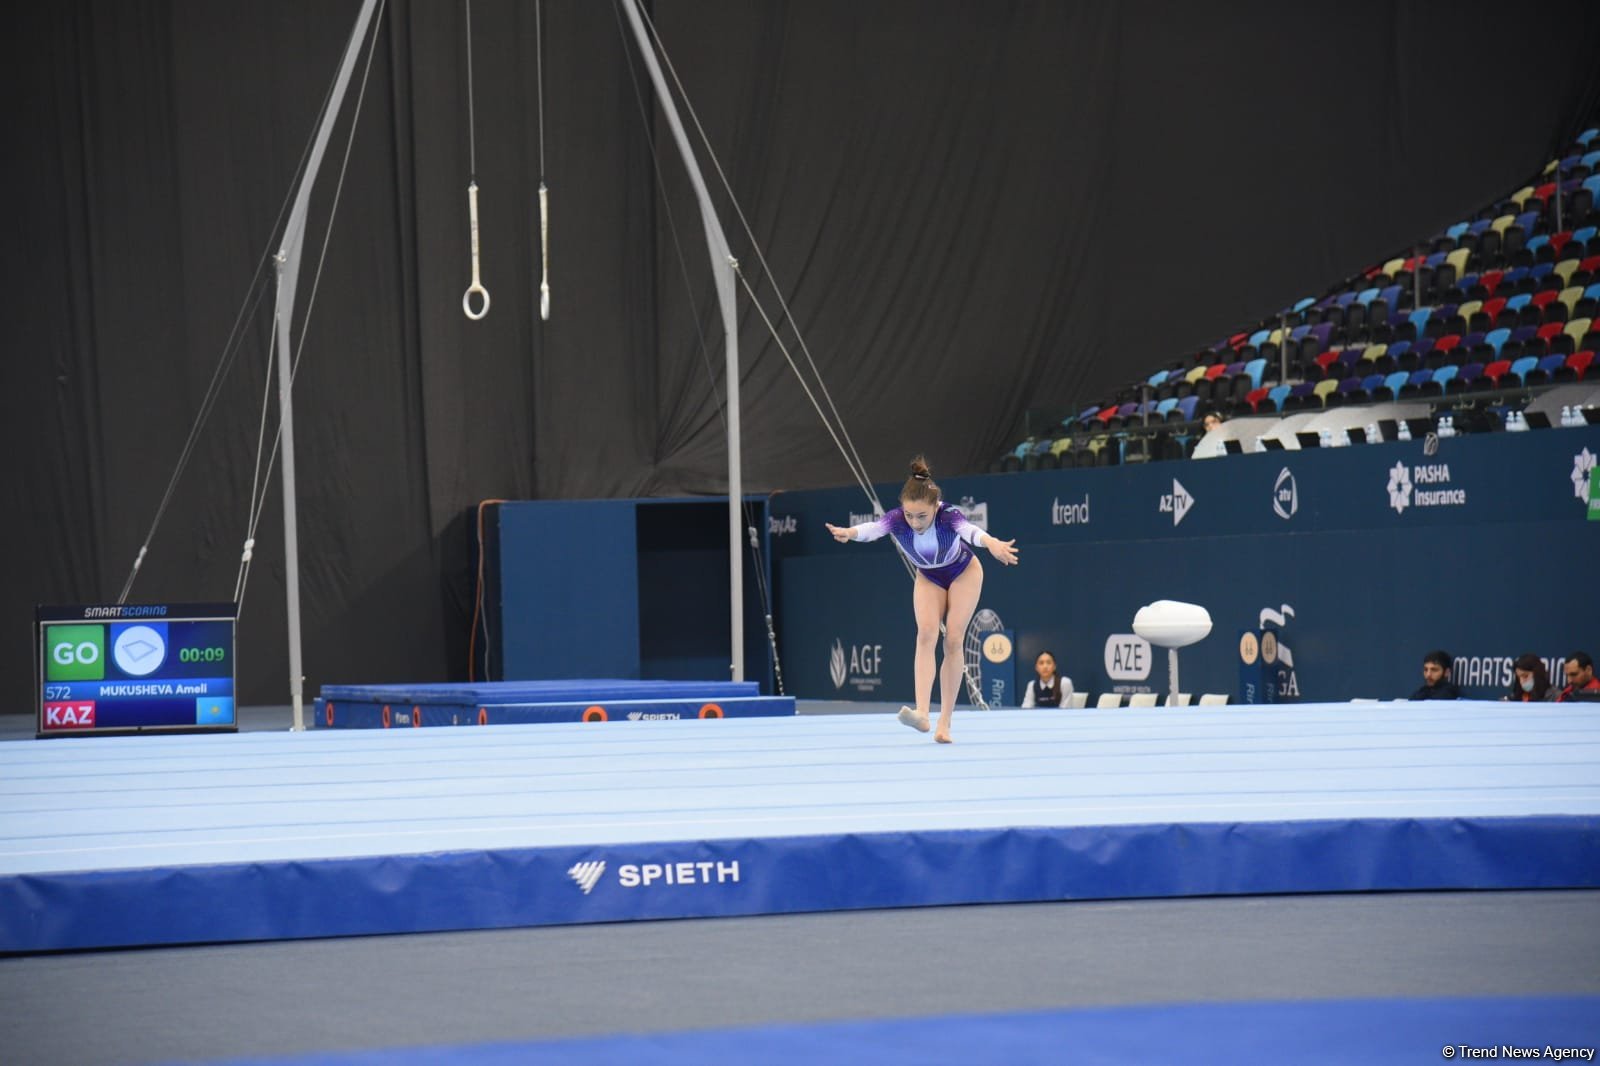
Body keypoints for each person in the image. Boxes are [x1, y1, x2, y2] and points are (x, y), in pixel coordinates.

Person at [826, 456, 1019, 743]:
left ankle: (946, 721)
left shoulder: (948, 515)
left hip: (963, 571)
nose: (914, 522)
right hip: (929, 576)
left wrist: (991, 543)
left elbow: (971, 532)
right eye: (909, 516)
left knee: (953, 639)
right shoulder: (896, 520)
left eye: (922, 516)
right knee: (926, 634)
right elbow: (873, 529)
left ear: (935, 508)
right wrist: (850, 533)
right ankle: (923, 714)